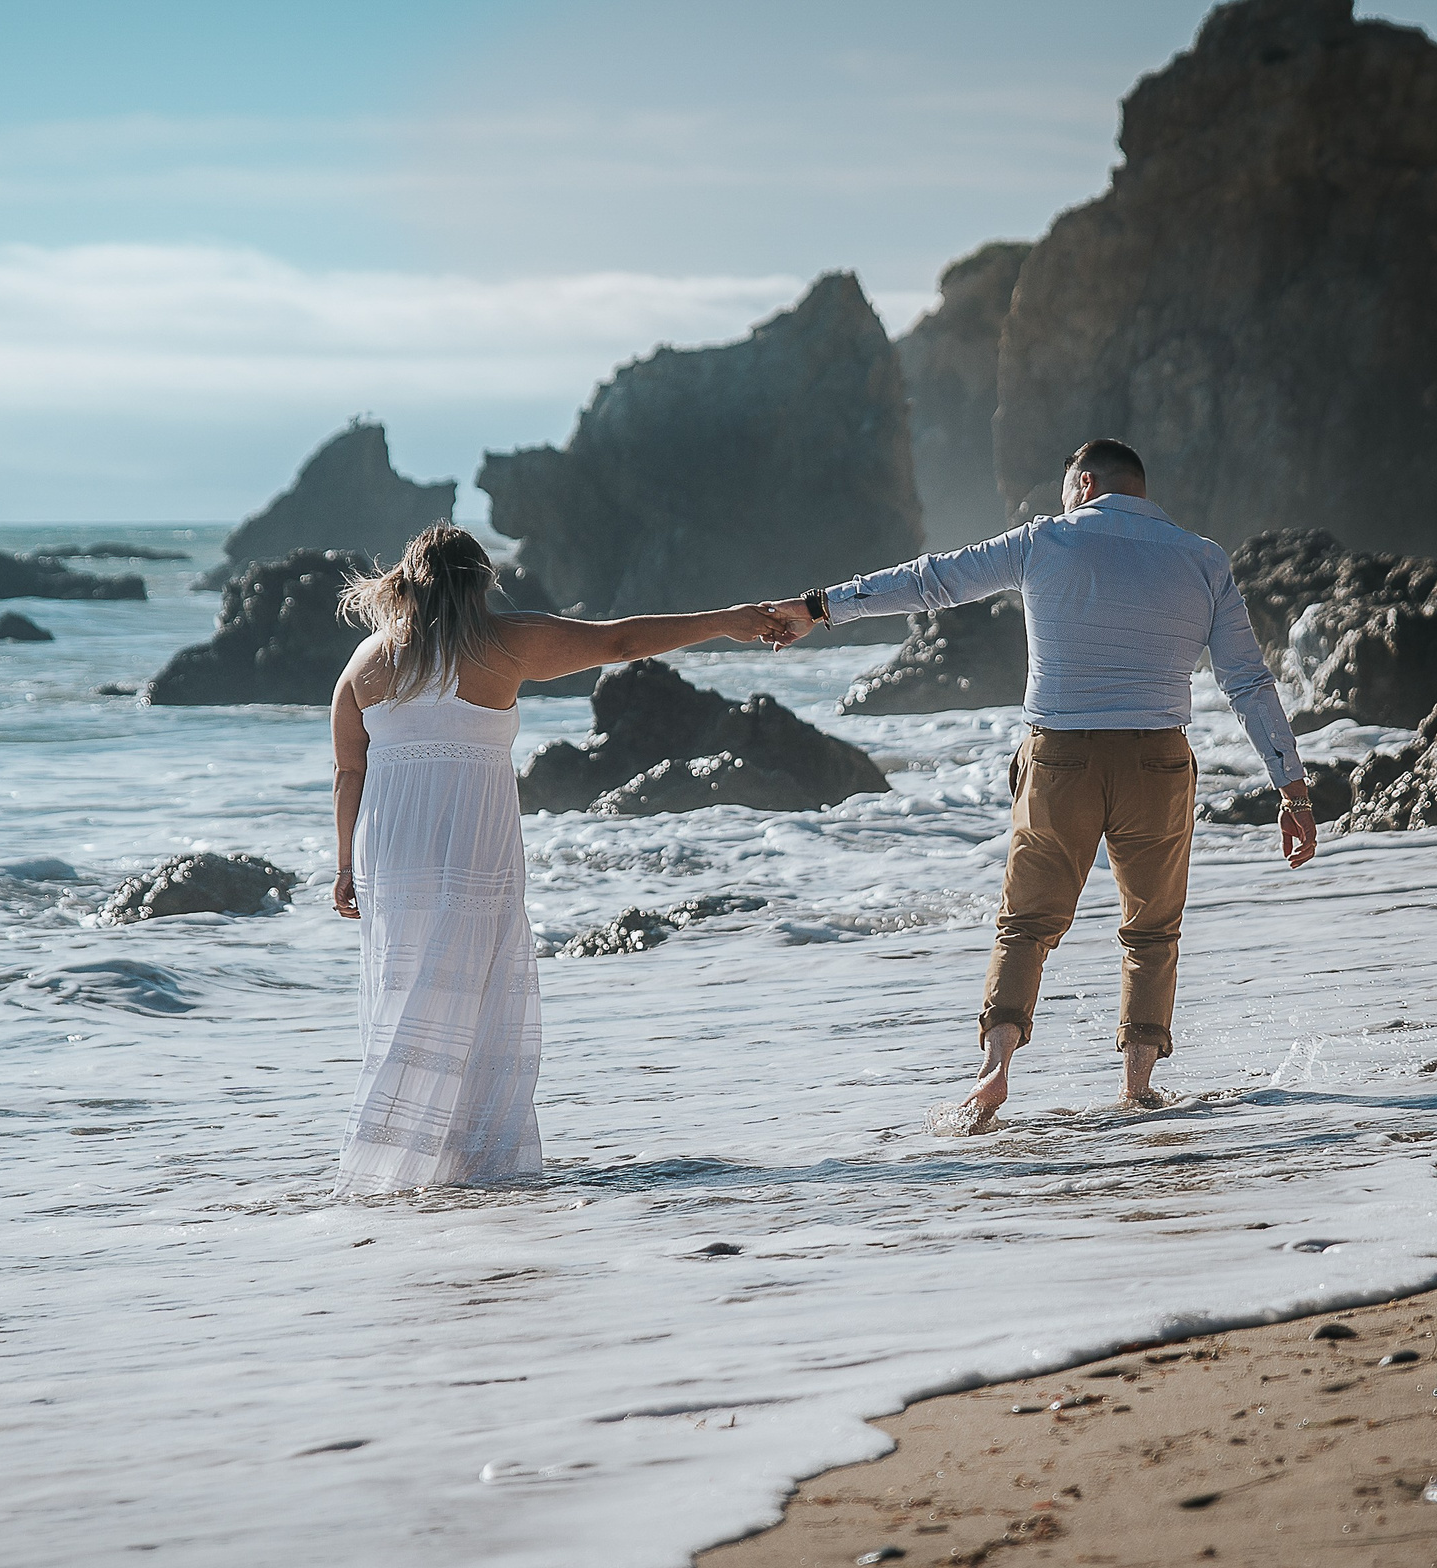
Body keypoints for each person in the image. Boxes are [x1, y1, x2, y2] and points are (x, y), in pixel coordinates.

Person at [765, 439, 1315, 1130]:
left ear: (1083, 483)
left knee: (1025, 925)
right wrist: (1291, 789)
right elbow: (1248, 682)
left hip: (1060, 761)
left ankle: (995, 1072)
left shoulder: (1043, 540)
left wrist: (819, 606)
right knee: (1152, 931)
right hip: (1158, 765)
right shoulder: (1202, 557)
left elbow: (933, 580)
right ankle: (1137, 1087)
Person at [328, 526, 788, 1196]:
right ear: (480, 581)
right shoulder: (506, 642)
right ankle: (470, 1166)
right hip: (472, 844)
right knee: (477, 995)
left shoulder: (366, 662)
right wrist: (726, 621)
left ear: (409, 581)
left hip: (390, 851)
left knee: (407, 998)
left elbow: (349, 769)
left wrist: (344, 866)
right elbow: (620, 641)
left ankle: (398, 1165)